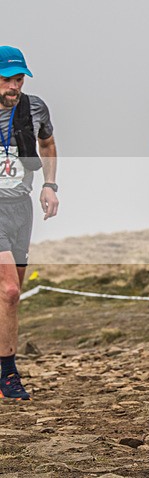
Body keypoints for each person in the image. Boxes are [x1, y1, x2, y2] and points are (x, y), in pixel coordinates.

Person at [0, 46, 59, 400]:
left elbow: (48, 143)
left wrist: (50, 186)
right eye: (7, 78)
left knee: (10, 297)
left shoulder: (35, 107)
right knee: (9, 290)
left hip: (21, 207)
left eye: (19, 78)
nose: (14, 86)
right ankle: (9, 373)